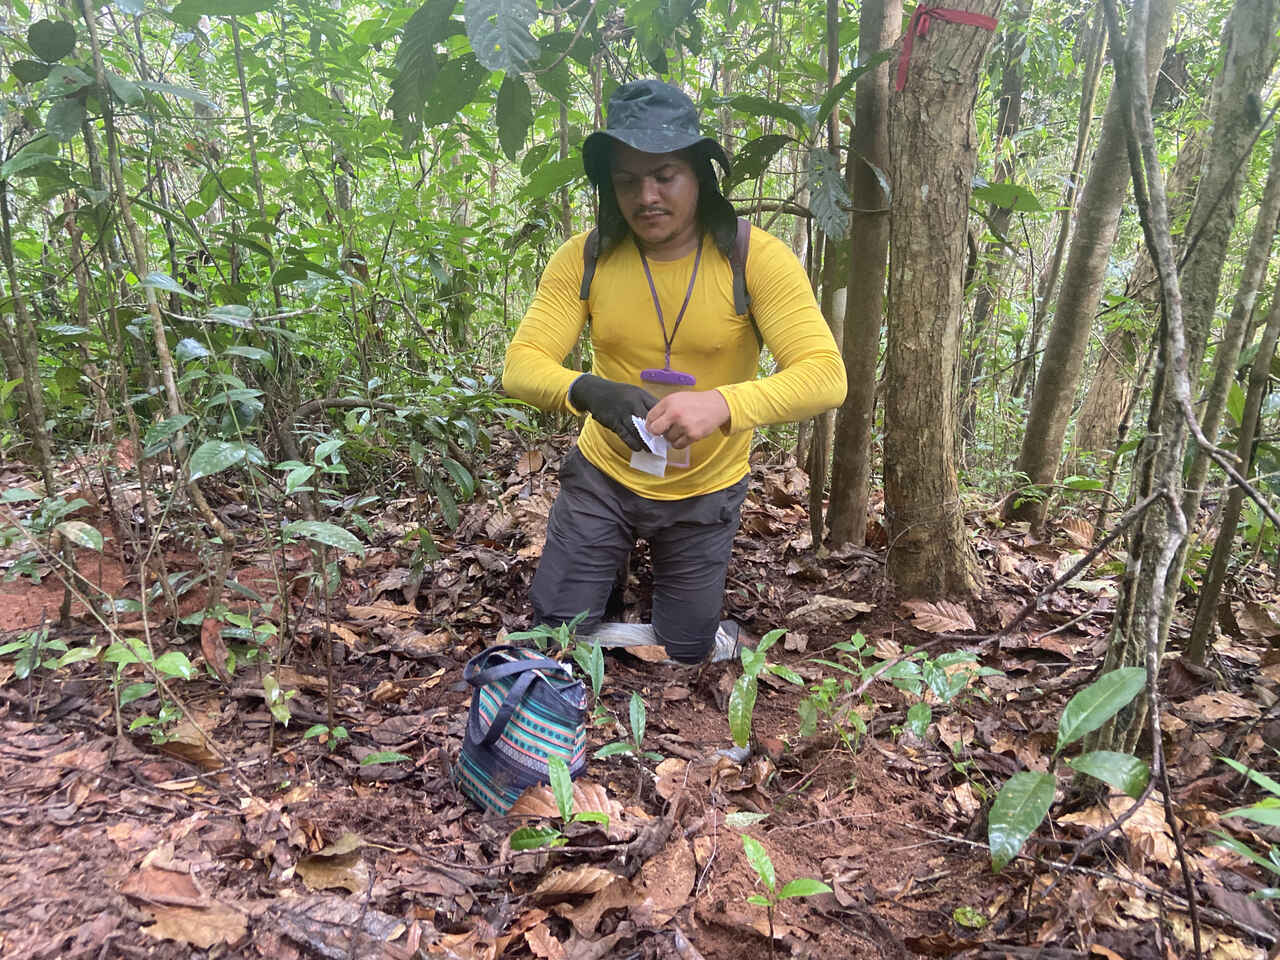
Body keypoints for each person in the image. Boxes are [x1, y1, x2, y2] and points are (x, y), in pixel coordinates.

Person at [502, 79, 846, 664]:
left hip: (704, 489)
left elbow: (825, 375)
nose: (647, 196)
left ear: (699, 176)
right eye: (627, 181)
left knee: (685, 654)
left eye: (665, 175)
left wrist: (723, 405)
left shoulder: (754, 258)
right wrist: (587, 390)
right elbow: (520, 365)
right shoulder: (586, 258)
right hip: (604, 477)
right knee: (555, 638)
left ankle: (669, 613)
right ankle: (598, 575)